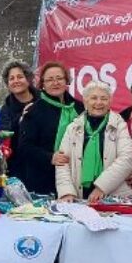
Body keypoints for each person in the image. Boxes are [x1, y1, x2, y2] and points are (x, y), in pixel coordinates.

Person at [56, 81, 132, 202]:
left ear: (110, 102)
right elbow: (62, 162)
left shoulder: (119, 125)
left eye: (104, 98)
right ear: (85, 102)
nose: (99, 102)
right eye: (93, 98)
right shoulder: (73, 127)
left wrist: (101, 188)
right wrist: (66, 192)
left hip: (113, 196)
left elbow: (126, 159)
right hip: (78, 196)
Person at [18, 62, 84, 196]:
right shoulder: (33, 111)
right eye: (49, 80)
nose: (55, 83)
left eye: (59, 78)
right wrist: (50, 157)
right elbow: (24, 147)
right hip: (43, 180)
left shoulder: (80, 108)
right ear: (42, 84)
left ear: (67, 80)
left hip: (76, 175)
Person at [0, 60, 39, 180]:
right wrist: (22, 119)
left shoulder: (43, 101)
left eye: (20, 77)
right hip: (18, 168)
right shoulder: (6, 109)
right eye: (12, 78)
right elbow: (6, 138)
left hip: (44, 164)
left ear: (28, 79)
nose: (16, 81)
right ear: (8, 83)